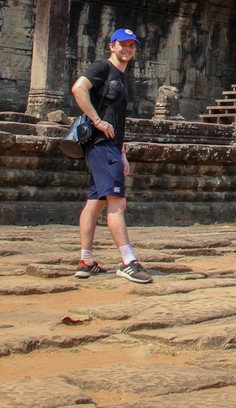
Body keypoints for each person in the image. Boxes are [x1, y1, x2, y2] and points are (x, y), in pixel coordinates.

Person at [71, 28, 153, 283]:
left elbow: (117, 118)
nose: (127, 49)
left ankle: (86, 261)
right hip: (100, 144)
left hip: (110, 146)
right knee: (117, 203)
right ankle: (128, 261)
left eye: (132, 46)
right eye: (123, 45)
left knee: (95, 203)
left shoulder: (121, 76)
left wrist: (123, 151)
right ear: (112, 46)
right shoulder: (102, 68)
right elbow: (78, 88)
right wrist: (96, 120)